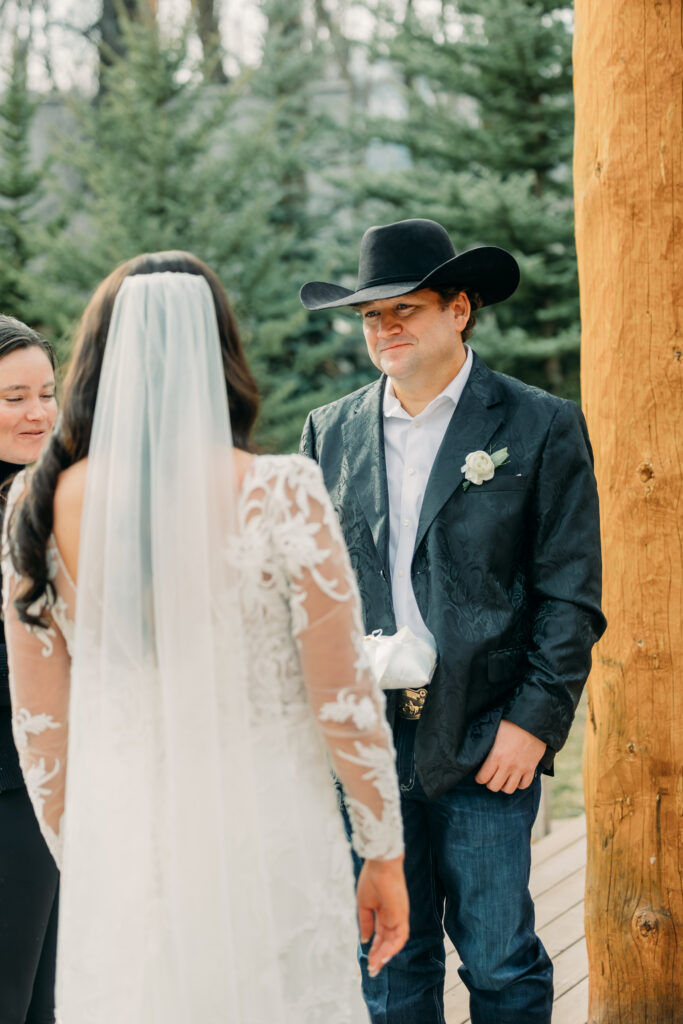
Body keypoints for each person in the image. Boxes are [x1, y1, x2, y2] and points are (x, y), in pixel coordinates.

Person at [2, 252, 409, 1024]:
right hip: (270, 831)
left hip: (126, 842)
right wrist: (381, 847)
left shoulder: (40, 498)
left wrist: (83, 853)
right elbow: (344, 695)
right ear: (224, 352)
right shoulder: (282, 489)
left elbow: (41, 724)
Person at [299, 218, 607, 1024]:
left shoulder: (539, 425)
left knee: (500, 960)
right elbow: (311, 593)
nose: (386, 328)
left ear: (459, 309)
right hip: (366, 746)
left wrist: (533, 723)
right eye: (371, 316)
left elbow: (570, 593)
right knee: (388, 961)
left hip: (485, 734)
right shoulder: (327, 433)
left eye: (406, 308)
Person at [0, 315, 59, 1024]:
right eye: (15, 397)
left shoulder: (53, 496)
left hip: (50, 780)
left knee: (44, 996)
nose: (39, 412)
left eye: (46, 391)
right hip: (8, 785)